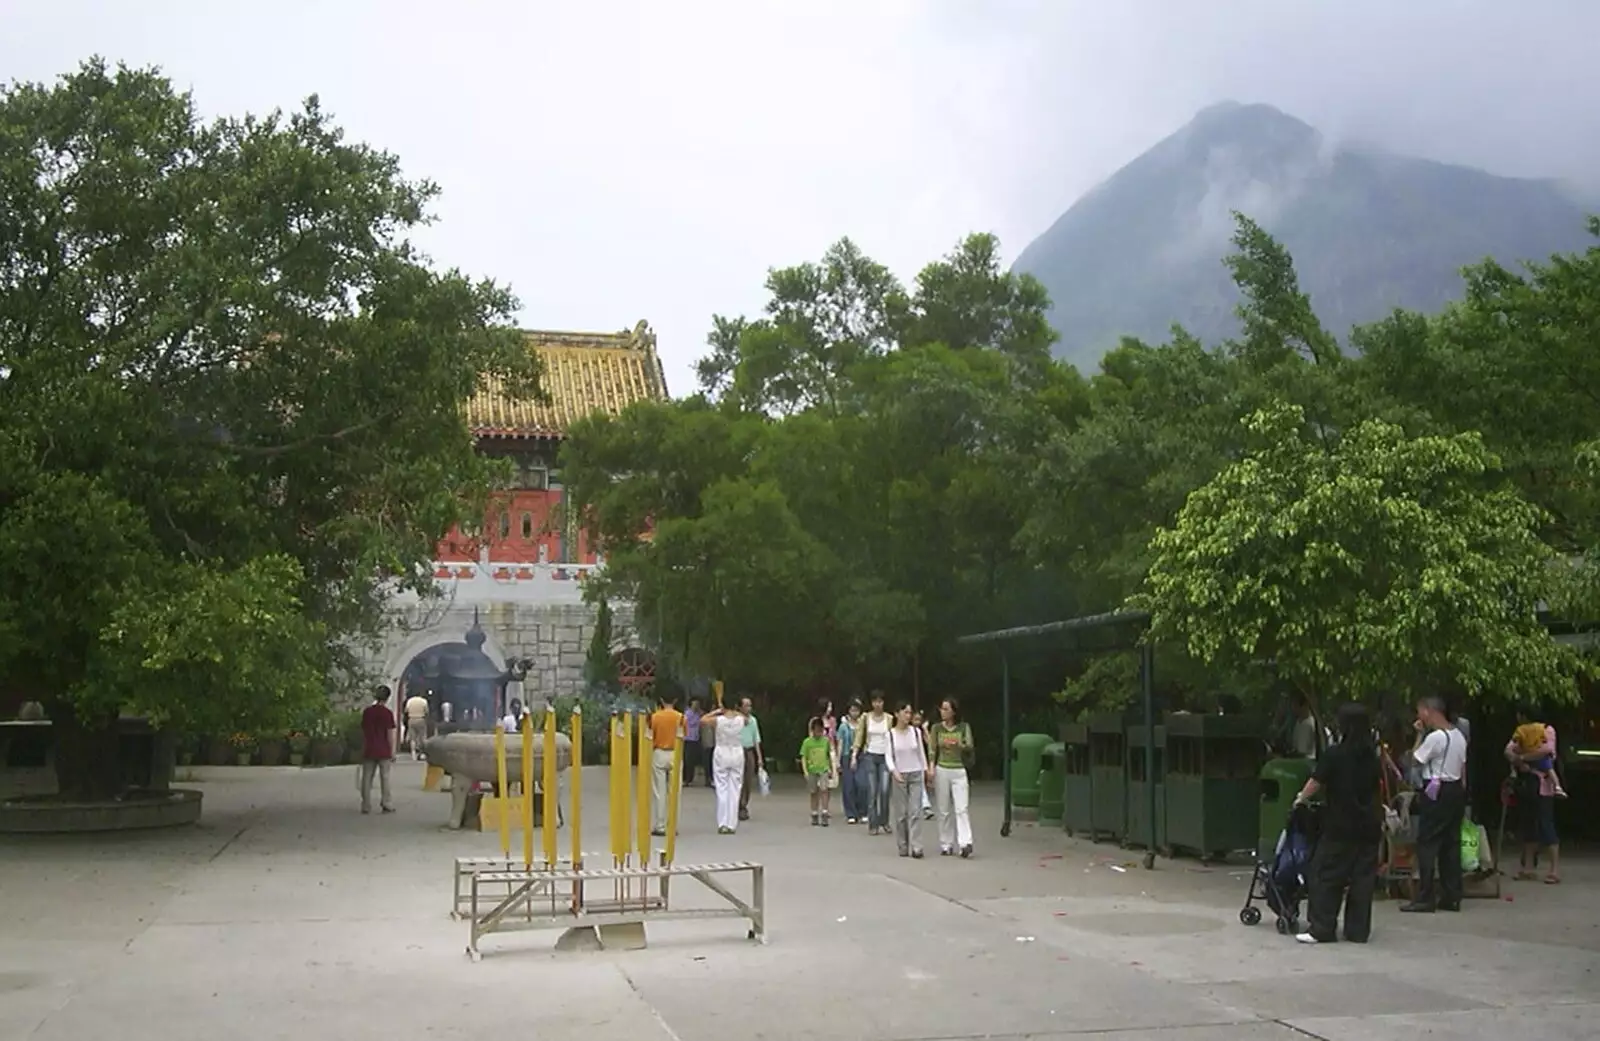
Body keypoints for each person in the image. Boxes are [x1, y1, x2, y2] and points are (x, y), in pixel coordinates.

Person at [1292, 703, 1382, 945]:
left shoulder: (1335, 754)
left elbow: (1317, 781)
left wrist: (1300, 799)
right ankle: (1357, 930)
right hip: (1369, 825)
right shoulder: (1372, 756)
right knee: (1362, 880)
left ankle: (1322, 927)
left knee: (1325, 874)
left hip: (1341, 825)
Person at [1402, 695, 1467, 913]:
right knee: (1451, 843)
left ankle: (1425, 896)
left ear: (1429, 711)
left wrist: (1419, 734)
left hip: (1436, 790)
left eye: (1420, 712)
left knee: (1427, 843)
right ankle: (1452, 895)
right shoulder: (1459, 736)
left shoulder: (1435, 738)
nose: (1419, 717)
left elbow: (1414, 759)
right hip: (1455, 788)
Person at [1506, 712, 1563, 884]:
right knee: (1528, 824)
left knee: (1546, 823)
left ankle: (1554, 869)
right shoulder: (1520, 731)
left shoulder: (1547, 730)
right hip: (1527, 783)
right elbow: (1508, 750)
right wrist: (1520, 761)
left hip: (1543, 785)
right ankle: (1528, 867)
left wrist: (1523, 756)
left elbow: (1547, 750)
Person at [929, 698, 975, 858]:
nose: (943, 711)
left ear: (954, 711)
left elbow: (969, 745)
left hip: (959, 769)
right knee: (943, 809)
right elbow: (932, 749)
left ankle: (965, 843)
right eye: (942, 708)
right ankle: (946, 843)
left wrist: (958, 744)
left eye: (946, 709)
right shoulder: (936, 728)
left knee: (961, 808)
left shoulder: (963, 727)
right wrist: (931, 768)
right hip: (942, 768)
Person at [886, 703, 929, 858]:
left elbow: (921, 753)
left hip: (915, 773)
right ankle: (903, 844)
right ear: (897, 714)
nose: (908, 716)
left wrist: (925, 770)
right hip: (900, 774)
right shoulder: (890, 734)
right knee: (901, 814)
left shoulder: (915, 732)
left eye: (910, 713)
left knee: (916, 811)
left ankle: (917, 846)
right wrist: (894, 771)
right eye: (905, 712)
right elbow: (888, 756)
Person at [701, 701, 747, 834]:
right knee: (735, 788)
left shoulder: (718, 720)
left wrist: (717, 711)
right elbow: (747, 720)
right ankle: (732, 824)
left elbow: (703, 720)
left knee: (722, 787)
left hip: (722, 751)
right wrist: (737, 711)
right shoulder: (740, 719)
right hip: (737, 752)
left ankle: (723, 823)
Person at [852, 691, 893, 835]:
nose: (878, 704)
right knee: (872, 790)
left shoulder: (889, 719)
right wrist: (854, 755)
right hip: (870, 755)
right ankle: (873, 823)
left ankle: (885, 820)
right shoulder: (865, 718)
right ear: (871, 703)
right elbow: (859, 736)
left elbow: (894, 738)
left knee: (885, 790)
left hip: (885, 757)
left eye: (880, 701)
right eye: (875, 701)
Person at [648, 694, 683, 836]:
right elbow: (683, 735)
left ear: (661, 700)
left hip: (659, 752)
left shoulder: (655, 717)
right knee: (674, 791)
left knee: (659, 791)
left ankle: (660, 825)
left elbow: (650, 735)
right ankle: (673, 825)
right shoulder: (680, 717)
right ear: (675, 700)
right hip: (675, 752)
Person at [359, 686, 397, 815]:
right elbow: (389, 734)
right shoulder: (387, 713)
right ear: (387, 698)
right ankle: (386, 803)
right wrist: (392, 751)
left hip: (369, 748)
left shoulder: (367, 712)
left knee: (366, 778)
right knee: (385, 778)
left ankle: (366, 805)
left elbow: (363, 731)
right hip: (383, 749)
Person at [1511, 719, 1567, 800]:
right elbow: (1547, 747)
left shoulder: (1522, 729)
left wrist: (1522, 756)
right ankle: (1557, 786)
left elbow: (1514, 747)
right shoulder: (1543, 728)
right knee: (1550, 770)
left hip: (1529, 753)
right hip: (1537, 755)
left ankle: (1513, 773)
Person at [799, 717, 834, 826]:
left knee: (824, 790)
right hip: (812, 770)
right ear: (812, 730)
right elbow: (803, 757)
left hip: (823, 769)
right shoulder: (807, 742)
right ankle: (814, 812)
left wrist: (831, 768)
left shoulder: (825, 741)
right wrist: (805, 771)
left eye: (821, 730)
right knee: (813, 792)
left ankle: (824, 812)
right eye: (817, 730)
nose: (819, 733)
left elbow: (829, 755)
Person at [737, 696, 764, 821]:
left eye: (750, 705)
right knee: (738, 780)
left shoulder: (753, 720)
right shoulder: (736, 720)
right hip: (738, 750)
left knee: (748, 780)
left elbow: (756, 740)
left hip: (749, 751)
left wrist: (759, 758)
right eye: (746, 705)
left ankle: (743, 805)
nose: (749, 708)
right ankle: (735, 805)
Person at [836, 701, 862, 823]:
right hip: (846, 756)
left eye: (856, 710)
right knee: (848, 785)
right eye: (852, 710)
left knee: (862, 784)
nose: (854, 713)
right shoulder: (843, 726)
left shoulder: (862, 724)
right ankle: (850, 813)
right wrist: (837, 760)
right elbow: (840, 743)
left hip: (861, 756)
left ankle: (862, 811)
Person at [403, 690, 430, 761]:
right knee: (422, 737)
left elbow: (406, 710)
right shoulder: (424, 701)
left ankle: (413, 754)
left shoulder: (410, 701)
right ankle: (422, 753)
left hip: (411, 719)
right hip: (421, 719)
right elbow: (427, 711)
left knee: (413, 738)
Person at [682, 698, 703, 787]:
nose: (696, 706)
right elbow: (689, 723)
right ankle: (686, 778)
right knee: (687, 759)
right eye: (695, 704)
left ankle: (690, 778)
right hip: (688, 738)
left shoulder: (698, 714)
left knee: (693, 760)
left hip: (695, 738)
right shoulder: (688, 713)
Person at [699, 703, 716, 789]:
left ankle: (709, 779)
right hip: (709, 742)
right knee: (708, 762)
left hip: (708, 742)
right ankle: (709, 779)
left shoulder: (705, 718)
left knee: (709, 762)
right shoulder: (707, 719)